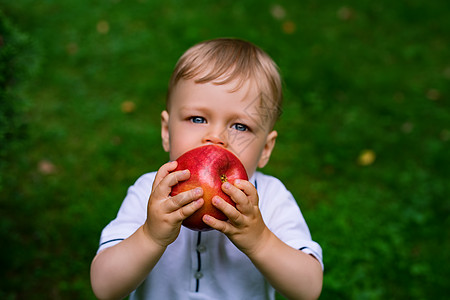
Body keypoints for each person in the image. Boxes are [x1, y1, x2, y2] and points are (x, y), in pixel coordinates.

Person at [90, 38, 323, 300]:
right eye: (198, 119)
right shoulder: (150, 192)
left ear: (266, 149)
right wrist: (150, 235)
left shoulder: (270, 199)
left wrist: (261, 241)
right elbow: (104, 287)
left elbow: (309, 288)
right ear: (167, 131)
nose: (216, 137)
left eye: (240, 126)